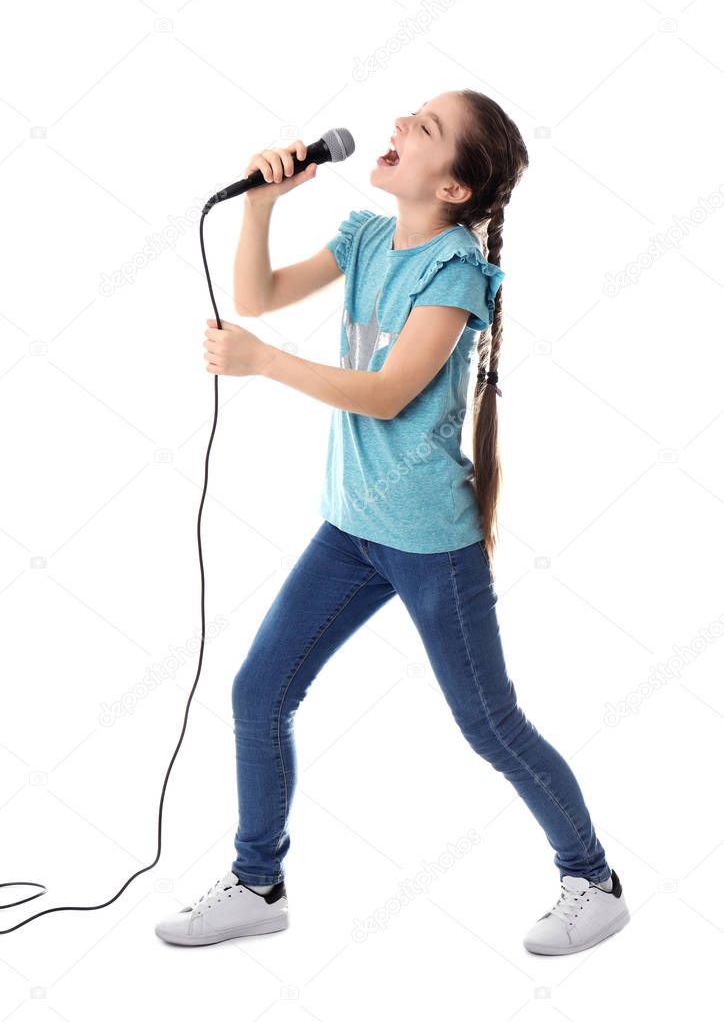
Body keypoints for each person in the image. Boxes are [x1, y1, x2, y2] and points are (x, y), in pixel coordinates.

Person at [155, 90, 630, 953]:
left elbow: (387, 392)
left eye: (427, 128)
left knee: (490, 725)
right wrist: (260, 206)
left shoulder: (454, 272)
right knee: (260, 693)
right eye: (411, 114)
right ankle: (259, 882)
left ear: (453, 188)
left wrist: (265, 365)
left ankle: (593, 879)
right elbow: (256, 294)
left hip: (428, 544)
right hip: (348, 531)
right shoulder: (368, 238)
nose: (400, 126)